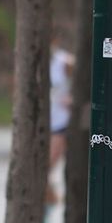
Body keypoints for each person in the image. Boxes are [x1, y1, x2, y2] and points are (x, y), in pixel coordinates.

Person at [47, 40, 75, 210]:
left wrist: (74, 98)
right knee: (41, 174)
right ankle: (52, 204)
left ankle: (49, 214)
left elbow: (86, 82)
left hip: (61, 123)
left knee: (45, 171)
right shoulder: (34, 61)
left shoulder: (65, 62)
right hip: (44, 124)